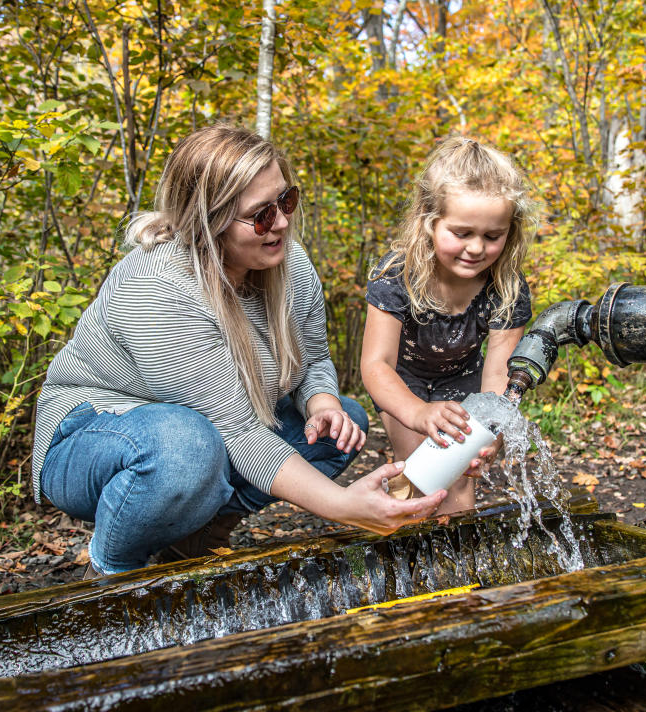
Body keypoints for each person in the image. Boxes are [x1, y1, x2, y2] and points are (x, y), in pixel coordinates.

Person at [33, 125, 446, 576]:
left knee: (343, 422)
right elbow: (237, 433)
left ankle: (195, 538)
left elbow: (313, 361)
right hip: (92, 436)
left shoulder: (289, 262)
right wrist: (346, 507)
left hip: (207, 436)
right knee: (186, 445)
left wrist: (322, 402)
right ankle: (111, 568)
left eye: (286, 201)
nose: (283, 223)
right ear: (208, 221)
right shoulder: (157, 288)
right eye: (262, 215)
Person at [360, 136, 534, 514]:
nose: (476, 248)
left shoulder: (506, 287)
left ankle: (457, 570)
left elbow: (498, 382)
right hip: (402, 383)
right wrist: (419, 412)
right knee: (419, 472)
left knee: (460, 480)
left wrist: (492, 438)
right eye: (462, 233)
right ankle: (402, 554)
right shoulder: (396, 276)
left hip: (462, 381)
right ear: (429, 221)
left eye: (492, 236)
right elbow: (376, 365)